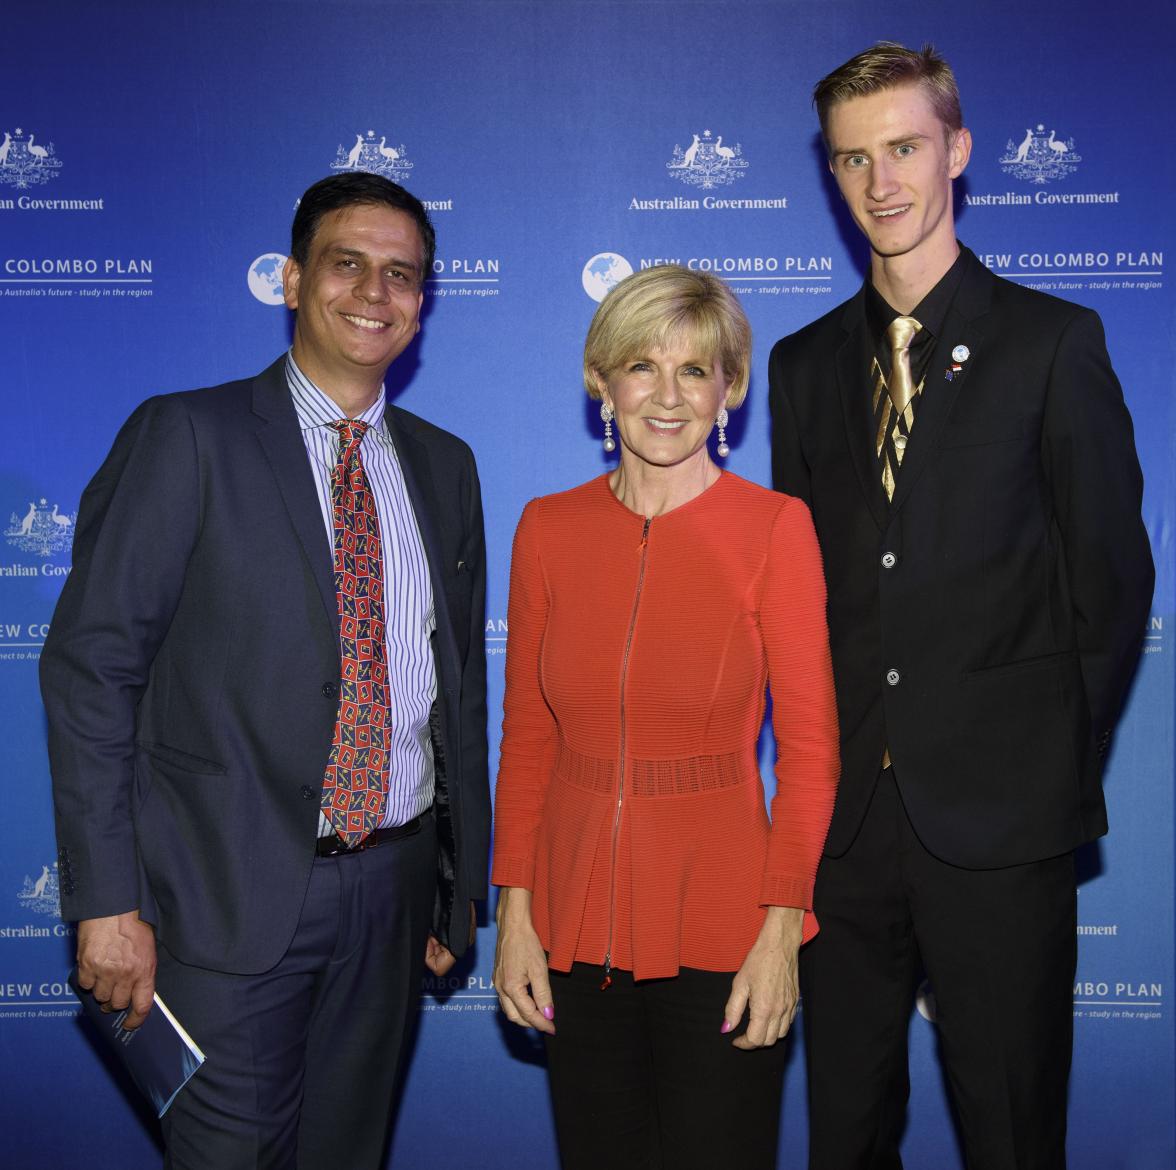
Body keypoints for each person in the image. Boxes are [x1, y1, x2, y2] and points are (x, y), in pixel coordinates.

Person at [40, 172, 490, 1169]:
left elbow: (453, 699)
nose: (375, 291)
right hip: (220, 905)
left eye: (403, 275)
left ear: (422, 304)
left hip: (392, 896)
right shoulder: (185, 437)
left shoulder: (446, 467)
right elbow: (91, 673)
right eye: (348, 263)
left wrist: (451, 892)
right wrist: (109, 903)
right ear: (292, 280)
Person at [769, 42, 1154, 1170]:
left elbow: (1112, 585)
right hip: (844, 829)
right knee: (845, 1131)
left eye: (903, 148)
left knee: (1012, 1130)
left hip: (1002, 823)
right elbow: (805, 593)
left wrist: (1038, 756)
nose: (881, 182)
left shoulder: (1052, 342)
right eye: (853, 159)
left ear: (958, 152)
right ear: (832, 174)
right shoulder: (800, 366)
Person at [492, 264, 840, 1170]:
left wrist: (780, 930)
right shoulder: (546, 528)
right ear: (601, 382)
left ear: (729, 388)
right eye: (642, 366)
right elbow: (528, 739)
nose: (669, 395)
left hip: (725, 924)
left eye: (696, 370)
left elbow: (809, 754)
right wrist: (516, 912)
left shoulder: (775, 528)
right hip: (570, 927)